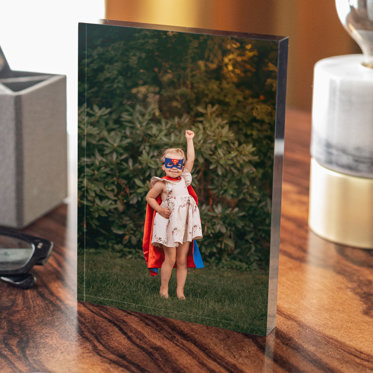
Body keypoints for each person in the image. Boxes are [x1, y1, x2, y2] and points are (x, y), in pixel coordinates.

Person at [142, 130, 204, 300]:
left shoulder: (184, 178)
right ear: (163, 166)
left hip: (184, 225)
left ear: (182, 166)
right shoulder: (162, 183)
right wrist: (160, 210)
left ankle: (180, 292)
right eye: (170, 164)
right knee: (171, 258)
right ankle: (164, 289)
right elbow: (149, 197)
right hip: (169, 225)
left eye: (178, 164)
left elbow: (191, 159)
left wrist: (189, 140)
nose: (174, 168)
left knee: (182, 259)